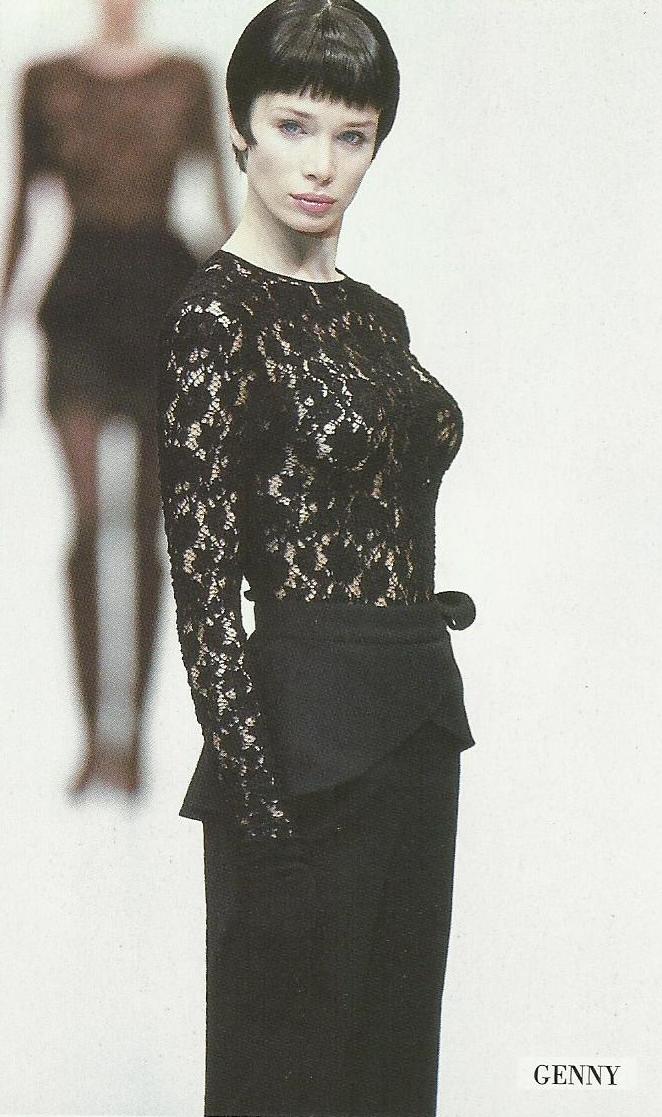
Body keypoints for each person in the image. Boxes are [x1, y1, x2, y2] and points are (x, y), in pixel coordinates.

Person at [157, 2, 476, 1114]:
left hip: (418, 723)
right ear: (239, 127)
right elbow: (203, 597)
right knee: (288, 1076)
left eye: (352, 135)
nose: (320, 163)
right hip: (300, 756)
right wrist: (261, 820)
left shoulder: (377, 319)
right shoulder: (215, 317)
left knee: (393, 1074)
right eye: (294, 125)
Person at [1, 0, 234, 795]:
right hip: (79, 308)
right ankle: (90, 737)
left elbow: (220, 209)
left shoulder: (185, 79)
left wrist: (252, 318)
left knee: (143, 528)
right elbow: (22, 210)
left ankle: (129, 739)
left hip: (166, 302)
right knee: (89, 523)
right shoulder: (46, 81)